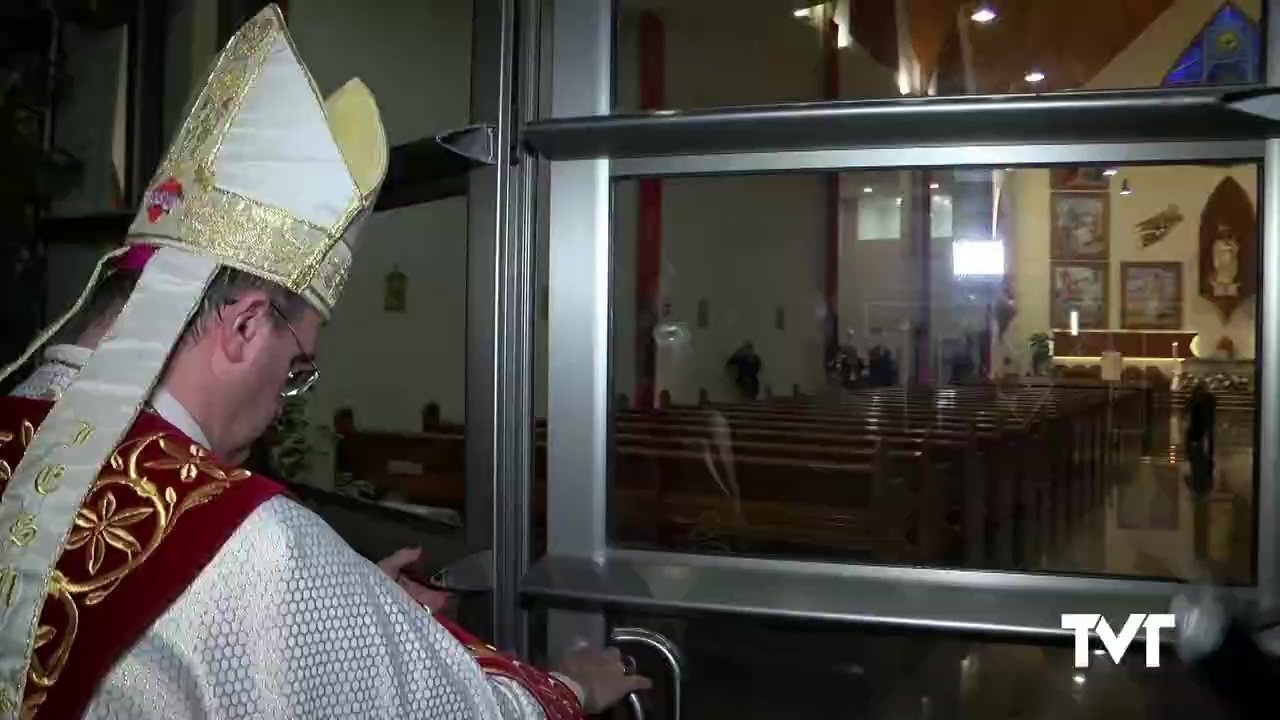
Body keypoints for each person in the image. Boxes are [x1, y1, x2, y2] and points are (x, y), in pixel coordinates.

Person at [0, 7, 644, 719]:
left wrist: (354, 599)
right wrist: (573, 686)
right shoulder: (252, 548)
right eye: (295, 367)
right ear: (244, 325)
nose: (284, 401)